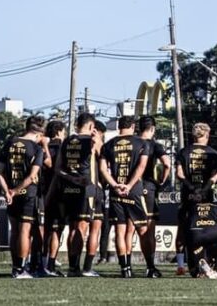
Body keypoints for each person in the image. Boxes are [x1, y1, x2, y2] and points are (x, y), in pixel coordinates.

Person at [50, 112, 99, 277]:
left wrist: (70, 177)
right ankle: (75, 267)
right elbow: (100, 154)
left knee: (72, 227)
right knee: (81, 227)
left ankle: (73, 267)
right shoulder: (90, 141)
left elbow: (58, 169)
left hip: (67, 188)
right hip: (85, 188)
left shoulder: (66, 141)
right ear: (91, 126)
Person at [100, 115, 150, 278]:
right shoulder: (141, 143)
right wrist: (128, 186)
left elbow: (103, 169)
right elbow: (141, 166)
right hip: (134, 191)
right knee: (143, 229)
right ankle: (150, 267)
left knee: (120, 231)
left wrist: (115, 185)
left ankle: (125, 269)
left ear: (119, 126)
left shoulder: (108, 145)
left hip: (116, 192)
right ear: (133, 127)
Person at [0, 115, 46, 279]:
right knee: (25, 231)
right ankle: (20, 269)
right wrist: (16, 191)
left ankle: (15, 267)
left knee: (15, 231)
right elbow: (32, 177)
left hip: (11, 194)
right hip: (27, 194)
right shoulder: (36, 149)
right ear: (39, 134)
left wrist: (7, 191)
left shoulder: (9, 143)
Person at [176, 123, 217, 275]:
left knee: (184, 228)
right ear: (207, 135)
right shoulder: (213, 152)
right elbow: (215, 175)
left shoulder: (184, 152)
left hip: (188, 195)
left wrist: (191, 187)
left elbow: (180, 174)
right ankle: (205, 263)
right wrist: (204, 189)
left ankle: (184, 265)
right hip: (206, 196)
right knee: (206, 230)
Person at [138, 115, 171, 278]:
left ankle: (126, 268)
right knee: (149, 229)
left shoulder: (132, 143)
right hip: (147, 187)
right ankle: (150, 266)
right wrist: (162, 182)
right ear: (153, 129)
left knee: (128, 229)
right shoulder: (154, 145)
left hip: (128, 189)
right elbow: (167, 163)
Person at [41, 119, 66, 276]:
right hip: (58, 192)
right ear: (58, 131)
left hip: (43, 191)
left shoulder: (42, 146)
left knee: (45, 230)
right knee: (56, 230)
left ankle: (41, 261)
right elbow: (52, 165)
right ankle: (50, 263)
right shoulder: (61, 147)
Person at [84, 121, 107, 277]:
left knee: (77, 228)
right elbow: (104, 167)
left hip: (78, 187)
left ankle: (73, 266)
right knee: (94, 230)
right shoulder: (97, 142)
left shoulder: (75, 141)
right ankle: (87, 267)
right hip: (95, 188)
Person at [186, 201, 217, 279]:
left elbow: (183, 233)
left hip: (196, 234)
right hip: (213, 235)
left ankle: (198, 267)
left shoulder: (190, 209)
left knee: (193, 240)